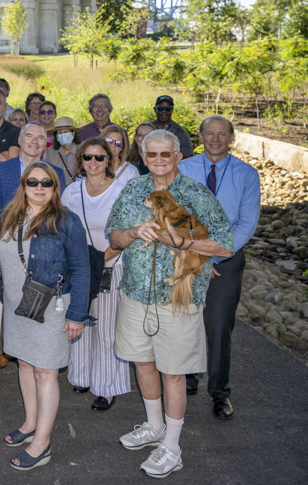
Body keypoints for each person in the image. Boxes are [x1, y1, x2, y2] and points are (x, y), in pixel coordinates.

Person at [106, 129, 233, 478]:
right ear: (143, 158)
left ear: (178, 157)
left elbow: (224, 245)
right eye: (152, 155)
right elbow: (113, 236)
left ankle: (172, 446)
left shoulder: (196, 193)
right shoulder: (133, 189)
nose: (159, 161)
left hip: (178, 298)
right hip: (135, 293)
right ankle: (154, 426)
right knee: (143, 363)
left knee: (173, 372)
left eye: (166, 155)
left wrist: (175, 238)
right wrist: (134, 232)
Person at [0, 162, 91, 471]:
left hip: (50, 308)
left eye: (46, 183)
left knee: (45, 372)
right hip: (16, 306)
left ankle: (43, 443)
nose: (39, 187)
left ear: (55, 188)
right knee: (24, 361)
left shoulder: (66, 221)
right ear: (23, 185)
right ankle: (30, 423)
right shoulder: (10, 216)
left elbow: (81, 268)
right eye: (32, 181)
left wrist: (77, 315)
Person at [179, 116, 260, 420]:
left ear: (231, 138)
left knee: (219, 325)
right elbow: (177, 215)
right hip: (188, 256)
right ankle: (187, 376)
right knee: (186, 320)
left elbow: (247, 223)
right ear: (200, 136)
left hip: (227, 260)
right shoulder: (184, 168)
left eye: (222, 134)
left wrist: (214, 256)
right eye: (209, 134)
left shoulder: (246, 174)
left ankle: (220, 393)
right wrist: (195, 254)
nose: (215, 139)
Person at [61, 138, 131, 412]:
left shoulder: (121, 192)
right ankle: (81, 376)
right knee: (79, 320)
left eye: (99, 157)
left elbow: (127, 234)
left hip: (109, 266)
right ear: (81, 160)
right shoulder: (71, 192)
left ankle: (107, 387)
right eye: (88, 157)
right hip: (78, 268)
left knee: (105, 328)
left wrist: (101, 259)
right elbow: (63, 229)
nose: (93, 162)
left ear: (109, 161)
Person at [0, 122, 67, 223]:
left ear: (44, 144)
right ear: (20, 140)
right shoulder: (0, 169)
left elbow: (57, 209)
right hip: (9, 231)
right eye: (29, 136)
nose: (34, 141)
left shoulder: (56, 173)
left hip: (44, 232)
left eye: (40, 138)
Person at [45, 116, 81, 185]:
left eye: (66, 132)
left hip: (74, 190)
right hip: (56, 189)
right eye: (60, 133)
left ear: (73, 134)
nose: (63, 135)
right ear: (56, 136)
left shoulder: (81, 150)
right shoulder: (51, 151)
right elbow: (47, 170)